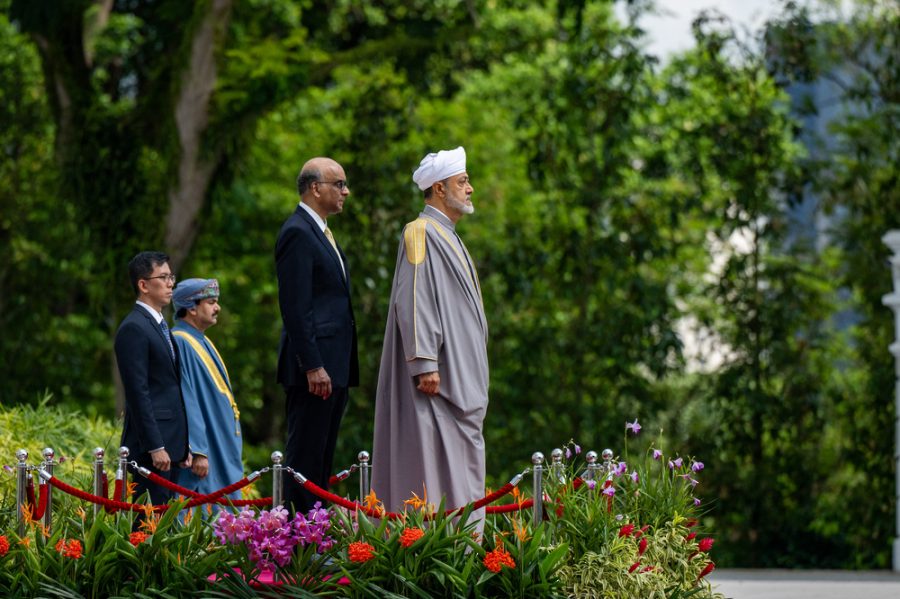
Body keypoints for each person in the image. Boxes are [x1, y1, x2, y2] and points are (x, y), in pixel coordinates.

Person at [371, 146, 490, 521]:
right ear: (440, 188)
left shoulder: (448, 234)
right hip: (438, 379)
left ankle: (463, 550)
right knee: (430, 464)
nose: (470, 188)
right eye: (463, 181)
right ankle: (436, 549)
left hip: (460, 379)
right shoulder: (421, 231)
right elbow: (414, 296)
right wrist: (425, 362)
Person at [275, 157, 359, 514]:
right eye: (338, 184)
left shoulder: (321, 231)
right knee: (305, 455)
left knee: (322, 455)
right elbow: (296, 306)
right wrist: (312, 364)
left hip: (334, 363)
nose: (345, 191)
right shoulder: (297, 231)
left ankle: (315, 533)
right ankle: (296, 537)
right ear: (315, 188)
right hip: (315, 369)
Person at [115, 251, 191, 506]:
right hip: (151, 449)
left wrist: (184, 442)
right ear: (143, 284)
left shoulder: (160, 325)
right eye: (164, 277)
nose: (171, 283)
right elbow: (138, 392)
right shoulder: (134, 328)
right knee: (146, 529)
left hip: (172, 444)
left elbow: (171, 387)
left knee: (165, 528)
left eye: (172, 276)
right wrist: (155, 445)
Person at [170, 278, 243, 508]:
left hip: (219, 442)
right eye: (211, 302)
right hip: (207, 448)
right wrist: (198, 449)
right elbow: (185, 397)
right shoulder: (181, 341)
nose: (217, 307)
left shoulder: (201, 340)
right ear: (191, 307)